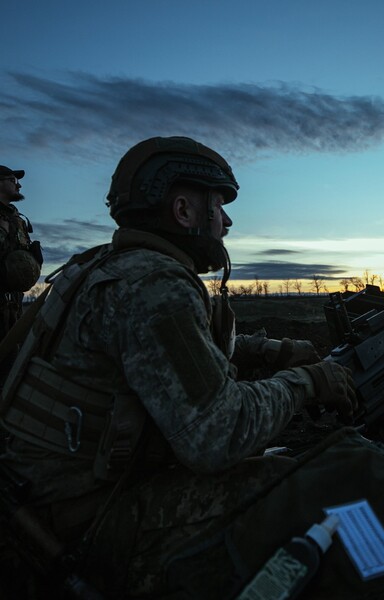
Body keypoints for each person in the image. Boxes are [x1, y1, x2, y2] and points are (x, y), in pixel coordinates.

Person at [0, 137, 358, 597]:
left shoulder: (110, 266)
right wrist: (307, 381)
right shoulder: (154, 284)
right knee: (296, 489)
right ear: (185, 211)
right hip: (71, 522)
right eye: (219, 207)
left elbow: (172, 352)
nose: (227, 221)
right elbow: (220, 434)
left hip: (40, 495)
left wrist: (272, 350)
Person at [0, 165, 43, 379]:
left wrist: (33, 261)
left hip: (13, 306)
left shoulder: (17, 219)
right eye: (12, 180)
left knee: (11, 367)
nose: (19, 184)